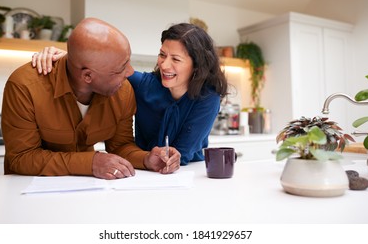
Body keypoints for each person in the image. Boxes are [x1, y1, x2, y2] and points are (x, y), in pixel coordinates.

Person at [2, 17, 180, 180]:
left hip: (86, 191)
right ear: (87, 76)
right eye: (120, 69)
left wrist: (147, 159)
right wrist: (91, 163)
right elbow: (21, 157)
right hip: (27, 191)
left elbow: (120, 146)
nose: (130, 72)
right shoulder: (24, 86)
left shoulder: (122, 90)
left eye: (128, 61)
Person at [32, 23, 228, 165]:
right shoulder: (144, 85)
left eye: (175, 59)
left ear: (197, 66)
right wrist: (68, 57)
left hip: (186, 173)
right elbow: (102, 66)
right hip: (143, 168)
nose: (164, 65)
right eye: (162, 55)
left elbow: (182, 154)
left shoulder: (208, 98)